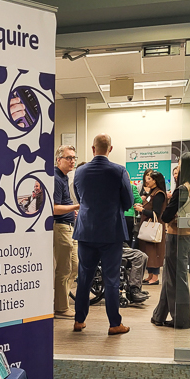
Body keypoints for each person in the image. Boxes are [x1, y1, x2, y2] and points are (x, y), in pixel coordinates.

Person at [72, 134, 134, 335]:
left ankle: (79, 321)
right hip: (111, 232)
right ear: (110, 149)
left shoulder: (79, 172)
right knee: (111, 279)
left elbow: (80, 197)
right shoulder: (119, 171)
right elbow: (129, 202)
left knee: (84, 277)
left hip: (86, 231)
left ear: (92, 149)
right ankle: (114, 324)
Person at [151, 152, 190, 329]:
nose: (177, 166)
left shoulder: (182, 189)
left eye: (179, 163)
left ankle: (180, 319)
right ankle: (159, 315)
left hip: (178, 237)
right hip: (189, 235)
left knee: (176, 280)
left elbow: (165, 216)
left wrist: (168, 200)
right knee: (170, 277)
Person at [53, 145, 80, 319]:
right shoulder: (56, 178)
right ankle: (61, 307)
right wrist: (76, 206)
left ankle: (61, 301)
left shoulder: (63, 177)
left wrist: (71, 210)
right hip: (61, 226)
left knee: (75, 266)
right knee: (64, 268)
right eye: (68, 158)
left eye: (73, 158)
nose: (72, 161)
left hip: (69, 226)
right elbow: (54, 208)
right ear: (58, 159)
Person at [135, 169, 168, 285]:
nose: (146, 180)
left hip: (154, 227)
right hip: (148, 226)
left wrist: (142, 210)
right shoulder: (151, 193)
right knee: (148, 251)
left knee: (154, 251)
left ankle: (155, 277)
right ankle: (150, 276)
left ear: (155, 181)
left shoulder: (159, 194)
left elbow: (156, 213)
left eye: (150, 179)